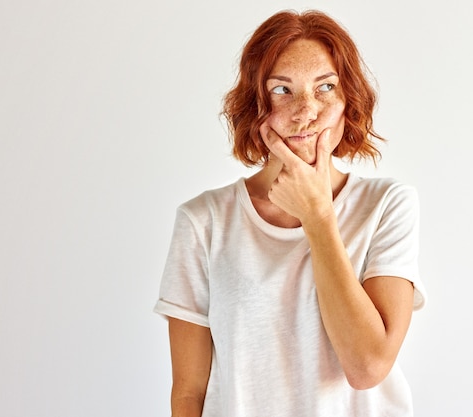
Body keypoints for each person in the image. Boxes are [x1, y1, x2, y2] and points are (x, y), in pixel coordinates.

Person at [155, 9, 427, 417]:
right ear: (255, 105)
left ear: (348, 99)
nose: (306, 111)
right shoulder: (204, 221)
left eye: (325, 88)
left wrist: (318, 217)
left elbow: (368, 366)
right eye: (283, 90)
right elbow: (189, 392)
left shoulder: (387, 205)